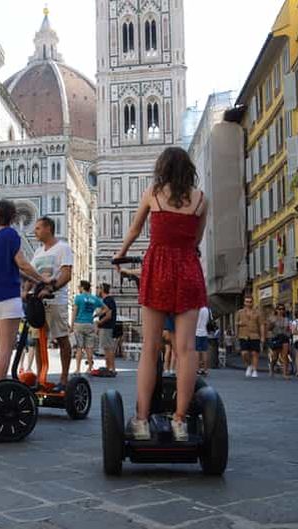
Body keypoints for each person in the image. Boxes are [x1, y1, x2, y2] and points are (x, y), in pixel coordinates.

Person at [113, 146, 208, 442]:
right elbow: (197, 239)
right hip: (188, 270)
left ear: (163, 168)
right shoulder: (201, 199)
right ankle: (180, 420)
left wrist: (120, 254)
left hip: (158, 269)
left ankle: (141, 420)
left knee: (150, 347)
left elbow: (134, 229)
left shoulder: (153, 193)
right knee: (186, 349)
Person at [0, 200, 49, 385]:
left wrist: (33, 280)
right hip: (7, 297)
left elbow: (9, 268)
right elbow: (22, 263)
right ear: (13, 217)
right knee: (5, 348)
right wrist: (43, 279)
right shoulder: (10, 234)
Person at [30, 217, 75, 391]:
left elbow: (66, 274)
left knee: (62, 338)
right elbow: (33, 275)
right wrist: (25, 291)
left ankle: (64, 379)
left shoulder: (63, 248)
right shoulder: (38, 252)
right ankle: (41, 378)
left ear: (48, 228)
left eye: (38, 228)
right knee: (37, 341)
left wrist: (51, 289)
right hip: (38, 304)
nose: (35, 231)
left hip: (56, 301)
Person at [71, 280, 104, 374]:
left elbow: (74, 312)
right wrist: (96, 315)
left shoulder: (78, 298)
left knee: (79, 348)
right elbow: (106, 309)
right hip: (89, 324)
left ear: (82, 287)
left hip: (79, 323)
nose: (78, 288)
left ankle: (77, 369)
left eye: (79, 286)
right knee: (89, 348)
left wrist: (71, 325)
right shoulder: (94, 299)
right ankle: (90, 368)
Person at [236, 295, 265, 378]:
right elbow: (236, 324)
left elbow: (261, 325)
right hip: (243, 335)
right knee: (244, 353)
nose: (248, 303)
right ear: (244, 303)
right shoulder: (240, 312)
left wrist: (262, 337)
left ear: (253, 302)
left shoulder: (258, 313)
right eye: (247, 302)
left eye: (250, 302)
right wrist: (237, 331)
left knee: (254, 353)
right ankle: (249, 365)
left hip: (254, 335)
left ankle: (255, 370)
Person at [96, 283, 117, 375]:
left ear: (102, 289)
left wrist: (99, 323)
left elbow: (109, 315)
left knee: (108, 348)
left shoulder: (108, 300)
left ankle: (111, 368)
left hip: (106, 327)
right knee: (107, 348)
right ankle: (109, 367)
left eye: (98, 288)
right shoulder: (107, 300)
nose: (97, 290)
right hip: (106, 327)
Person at [267, 304, 291, 379]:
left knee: (285, 356)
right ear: (276, 310)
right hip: (276, 338)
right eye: (279, 309)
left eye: (282, 309)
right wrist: (272, 323)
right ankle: (271, 367)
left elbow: (288, 329)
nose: (281, 311)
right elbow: (268, 328)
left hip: (285, 337)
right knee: (275, 357)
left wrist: (289, 333)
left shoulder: (287, 319)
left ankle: (285, 374)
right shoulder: (272, 318)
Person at [195, 306, 210, 376]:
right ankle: (206, 369)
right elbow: (208, 321)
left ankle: (198, 369)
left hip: (196, 332)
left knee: (197, 351)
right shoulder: (207, 309)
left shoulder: (196, 309)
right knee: (205, 351)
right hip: (204, 332)